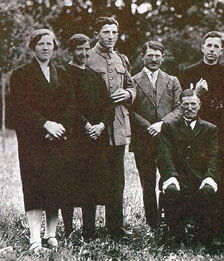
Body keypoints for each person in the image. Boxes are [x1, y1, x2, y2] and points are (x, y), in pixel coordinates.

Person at [9, 29, 76, 250]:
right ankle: (35, 238)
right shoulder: (21, 73)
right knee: (34, 187)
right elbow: (20, 106)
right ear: (33, 46)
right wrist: (44, 125)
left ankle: (51, 235)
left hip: (58, 138)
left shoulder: (63, 73)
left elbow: (71, 104)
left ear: (54, 47)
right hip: (32, 141)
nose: (45, 48)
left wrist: (59, 126)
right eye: (41, 44)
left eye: (49, 44)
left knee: (55, 186)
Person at [61, 34, 114, 239]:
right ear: (71, 51)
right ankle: (67, 230)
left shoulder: (94, 75)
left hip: (95, 139)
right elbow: (67, 104)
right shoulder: (64, 73)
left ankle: (89, 231)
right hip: (73, 138)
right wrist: (85, 125)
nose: (83, 54)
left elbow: (108, 105)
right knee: (70, 183)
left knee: (91, 184)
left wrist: (100, 125)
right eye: (78, 49)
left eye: (86, 49)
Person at [86, 16, 136, 238]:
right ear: (97, 34)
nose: (111, 36)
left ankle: (115, 227)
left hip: (118, 127)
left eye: (114, 32)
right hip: (95, 127)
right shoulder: (87, 57)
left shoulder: (121, 59)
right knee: (92, 175)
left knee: (117, 179)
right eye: (106, 32)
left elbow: (132, 86)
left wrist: (128, 94)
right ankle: (89, 228)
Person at [129, 41, 182, 229]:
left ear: (163, 58)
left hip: (167, 138)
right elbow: (129, 109)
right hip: (143, 140)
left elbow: (179, 108)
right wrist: (147, 126)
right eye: (150, 55)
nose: (154, 59)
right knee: (148, 183)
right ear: (142, 56)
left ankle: (169, 219)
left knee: (169, 178)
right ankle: (153, 223)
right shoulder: (132, 81)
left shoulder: (172, 80)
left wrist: (162, 124)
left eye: (157, 56)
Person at [158, 89, 219, 246]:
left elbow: (213, 157)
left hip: (200, 177)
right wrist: (171, 177)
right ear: (180, 106)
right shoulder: (168, 127)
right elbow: (165, 156)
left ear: (199, 105)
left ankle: (202, 235)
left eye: (193, 104)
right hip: (178, 176)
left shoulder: (210, 129)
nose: (190, 108)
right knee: (171, 190)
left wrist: (209, 177)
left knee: (208, 190)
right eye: (186, 105)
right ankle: (176, 235)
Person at [180, 31, 224, 140]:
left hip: (222, 130)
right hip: (196, 129)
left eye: (216, 46)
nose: (212, 49)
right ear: (202, 48)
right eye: (209, 45)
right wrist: (196, 93)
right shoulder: (189, 73)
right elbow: (182, 105)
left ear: (221, 51)